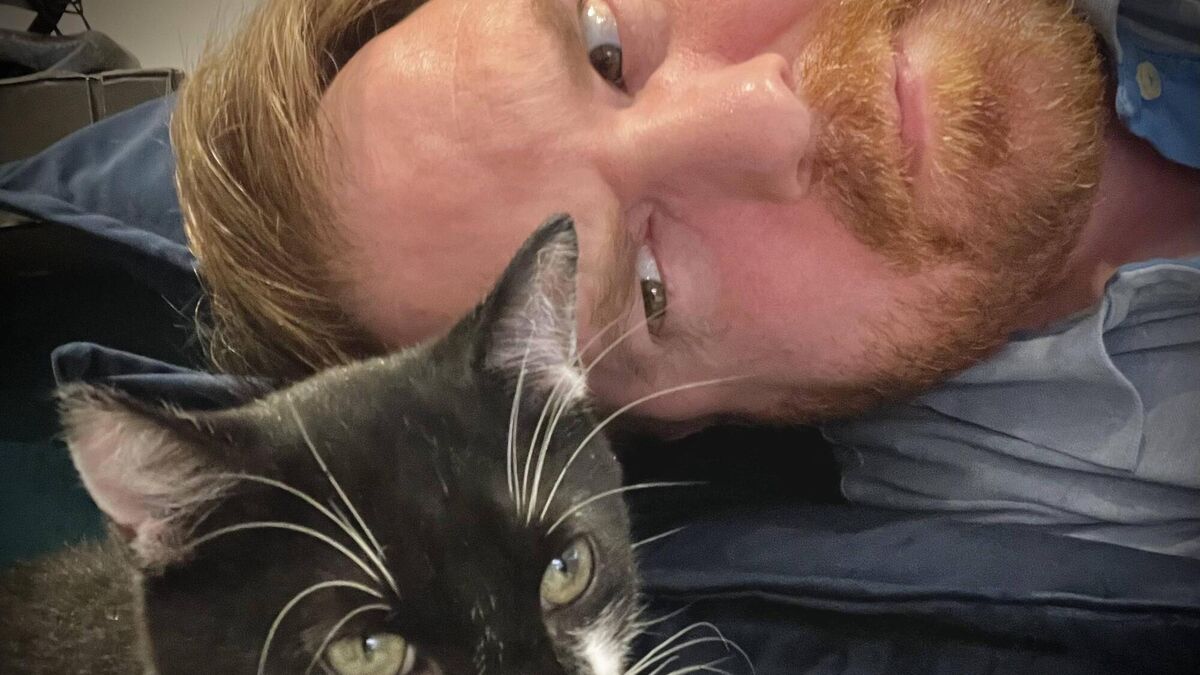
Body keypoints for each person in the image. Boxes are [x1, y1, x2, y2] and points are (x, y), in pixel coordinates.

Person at [172, 0, 1200, 556]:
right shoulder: (1077, 548)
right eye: (651, 286)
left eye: (605, 46)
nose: (769, 119)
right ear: (687, 419)